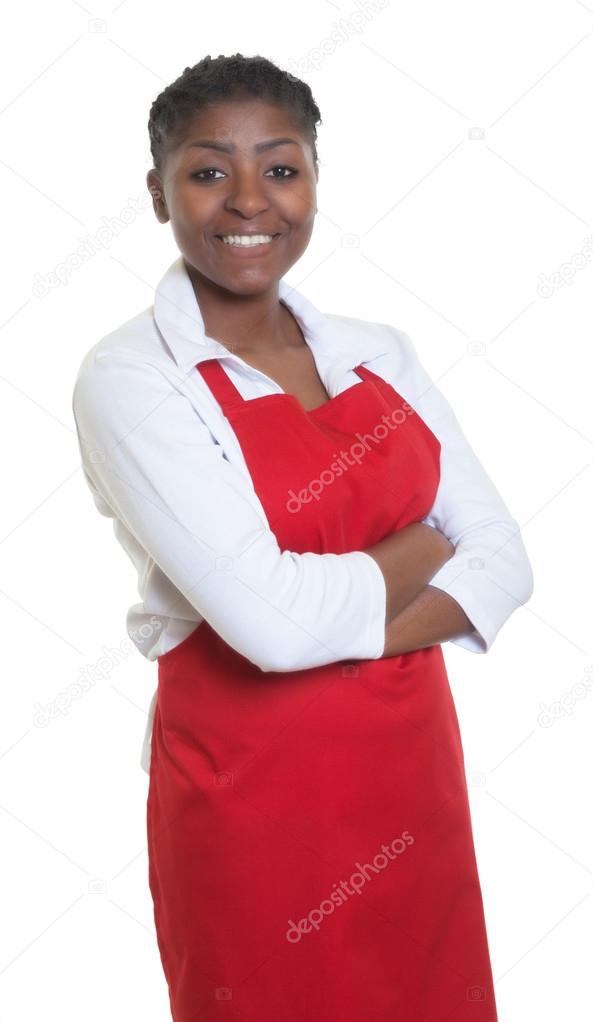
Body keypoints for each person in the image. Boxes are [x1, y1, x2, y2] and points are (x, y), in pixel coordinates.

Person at [72, 53, 533, 1022]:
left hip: (414, 784)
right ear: (156, 196)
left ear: (314, 181)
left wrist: (327, 601)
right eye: (207, 171)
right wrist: (418, 549)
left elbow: (501, 553)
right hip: (255, 804)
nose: (249, 200)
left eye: (280, 168)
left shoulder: (377, 351)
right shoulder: (133, 378)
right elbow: (272, 631)